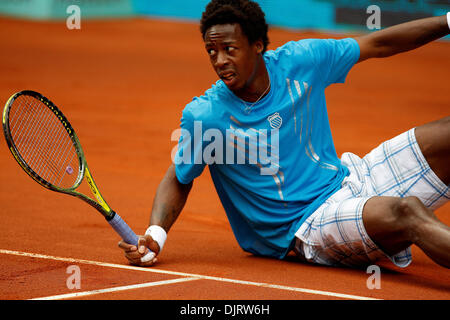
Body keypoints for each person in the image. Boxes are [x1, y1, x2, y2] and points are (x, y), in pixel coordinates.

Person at [119, 0, 450, 269]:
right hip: (307, 225)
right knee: (405, 212)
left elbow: (378, 43)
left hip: (350, 178)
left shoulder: (302, 61)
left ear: (258, 45)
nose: (219, 61)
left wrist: (447, 21)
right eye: (211, 51)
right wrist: (155, 233)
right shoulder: (205, 117)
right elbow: (179, 176)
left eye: (229, 49)